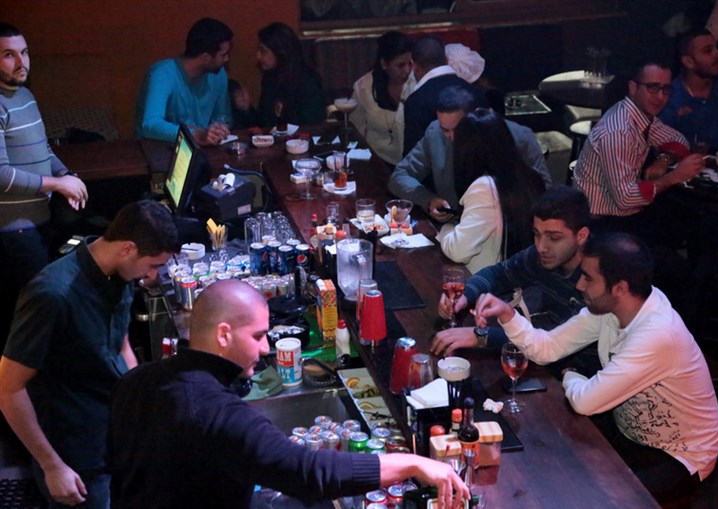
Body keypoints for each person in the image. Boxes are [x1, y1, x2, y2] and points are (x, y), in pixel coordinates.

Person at [108, 279, 467, 509]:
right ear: (223, 335)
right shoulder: (217, 413)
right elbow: (308, 473)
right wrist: (414, 463)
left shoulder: (135, 381)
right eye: (257, 336)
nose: (266, 347)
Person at [474, 232, 718, 504]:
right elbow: (546, 349)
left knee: (585, 499)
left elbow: (585, 402)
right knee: (550, 471)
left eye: (588, 278)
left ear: (619, 288)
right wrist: (507, 315)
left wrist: (569, 373)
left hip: (680, 456)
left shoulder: (657, 334)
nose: (580, 284)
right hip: (627, 434)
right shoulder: (611, 309)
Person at [0, 200, 178, 509]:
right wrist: (51, 466)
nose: (152, 275)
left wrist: (138, 405)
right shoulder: (52, 295)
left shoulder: (119, 275)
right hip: (74, 453)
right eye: (152, 265)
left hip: (112, 434)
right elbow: (8, 388)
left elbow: (120, 342)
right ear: (127, 248)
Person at [0, 22, 88, 352]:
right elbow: (2, 175)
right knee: (33, 319)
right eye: (8, 55)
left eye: (23, 52)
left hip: (39, 222)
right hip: (13, 232)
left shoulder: (24, 95)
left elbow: (43, 150)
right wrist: (57, 184)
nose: (21, 62)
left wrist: (67, 175)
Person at [432, 186, 590, 357]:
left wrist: (482, 336)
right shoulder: (541, 256)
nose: (541, 246)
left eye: (554, 238)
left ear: (581, 235)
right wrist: (465, 295)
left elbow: (553, 341)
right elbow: (498, 274)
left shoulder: (596, 278)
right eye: (537, 234)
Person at [572, 60, 704, 248]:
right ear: (633, 88)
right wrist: (674, 176)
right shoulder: (618, 131)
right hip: (601, 224)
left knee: (693, 215)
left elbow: (679, 140)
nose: (660, 97)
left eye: (665, 89)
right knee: (692, 226)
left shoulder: (640, 115)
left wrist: (663, 160)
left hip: (624, 213)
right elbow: (625, 199)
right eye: (653, 88)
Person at [389, 86, 552, 224]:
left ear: (476, 117)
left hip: (505, 231)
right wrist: (429, 200)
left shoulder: (520, 137)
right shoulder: (435, 134)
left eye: (458, 129)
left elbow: (544, 190)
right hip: (454, 229)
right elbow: (399, 176)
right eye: (445, 130)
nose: (451, 137)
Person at [436, 108, 546, 273]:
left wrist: (446, 229)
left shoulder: (484, 189)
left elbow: (459, 251)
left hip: (487, 282)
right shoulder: (530, 177)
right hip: (519, 278)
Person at [135, 17, 233, 146]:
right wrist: (195, 134)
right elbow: (150, 124)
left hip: (202, 148)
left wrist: (219, 129)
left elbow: (223, 116)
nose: (227, 59)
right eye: (223, 55)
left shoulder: (218, 75)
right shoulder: (163, 74)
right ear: (206, 57)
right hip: (159, 147)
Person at [231, 22, 325, 129]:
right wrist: (247, 108)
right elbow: (265, 122)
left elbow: (313, 124)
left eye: (263, 51)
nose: (258, 56)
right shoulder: (270, 78)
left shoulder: (308, 81)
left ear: (281, 52)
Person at [402, 36, 485, 156]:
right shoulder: (475, 92)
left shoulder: (416, 101)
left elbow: (413, 155)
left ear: (414, 66)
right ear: (446, 60)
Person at [349, 31, 412, 165]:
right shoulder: (364, 88)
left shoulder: (417, 82)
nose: (407, 70)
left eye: (410, 64)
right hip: (378, 160)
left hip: (414, 162)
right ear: (384, 63)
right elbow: (356, 132)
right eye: (400, 65)